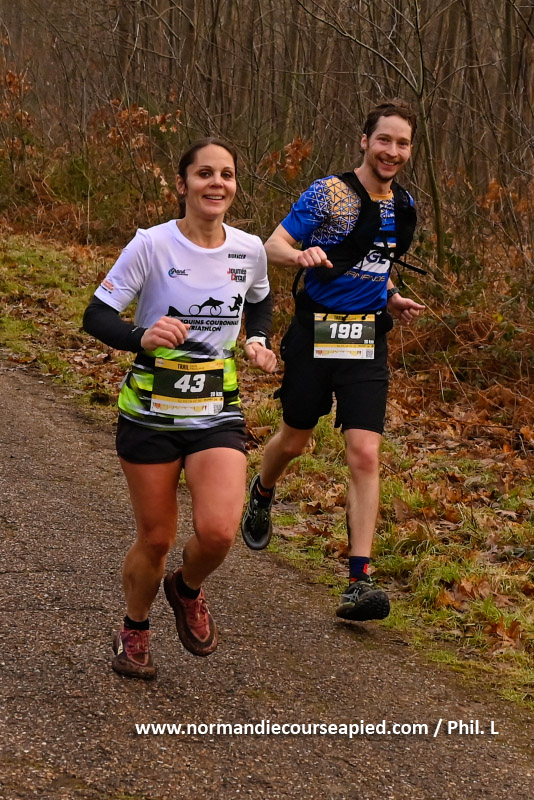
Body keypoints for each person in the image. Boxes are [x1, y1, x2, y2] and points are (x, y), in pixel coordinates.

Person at [83, 138, 276, 679]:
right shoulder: (152, 244)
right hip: (150, 411)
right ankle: (134, 628)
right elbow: (96, 314)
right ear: (183, 183)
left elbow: (260, 298)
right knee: (157, 537)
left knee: (218, 532)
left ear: (235, 185)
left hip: (216, 408)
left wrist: (257, 339)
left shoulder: (249, 249)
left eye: (227, 175)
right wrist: (140, 336)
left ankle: (186, 588)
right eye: (204, 173)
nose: (217, 183)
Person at [241, 100, 424, 623]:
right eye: (384, 139)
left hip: (366, 338)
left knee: (365, 453)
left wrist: (391, 296)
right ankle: (262, 490)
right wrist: (299, 255)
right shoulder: (330, 193)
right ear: (364, 141)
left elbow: (374, 260)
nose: (392, 151)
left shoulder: (404, 204)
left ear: (410, 150)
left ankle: (359, 580)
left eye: (402, 143)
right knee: (294, 439)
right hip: (315, 333)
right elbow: (272, 245)